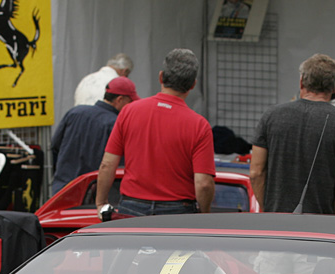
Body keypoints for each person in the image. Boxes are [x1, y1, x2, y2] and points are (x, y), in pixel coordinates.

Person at [95, 48, 215, 217]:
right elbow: (203, 184)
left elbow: (107, 164)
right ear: (193, 85)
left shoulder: (129, 112)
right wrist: (204, 215)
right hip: (177, 210)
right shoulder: (199, 125)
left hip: (131, 206)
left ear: (161, 77)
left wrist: (101, 203)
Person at [250, 54, 335, 215]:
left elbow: (256, 172)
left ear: (301, 82)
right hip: (322, 225)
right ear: (334, 87)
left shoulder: (271, 116)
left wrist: (268, 210)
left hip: (277, 219)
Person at [50, 76, 139, 196]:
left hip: (62, 190)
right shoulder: (116, 124)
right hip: (91, 194)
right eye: (130, 102)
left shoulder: (74, 113)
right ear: (120, 99)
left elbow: (55, 145)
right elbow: (119, 165)